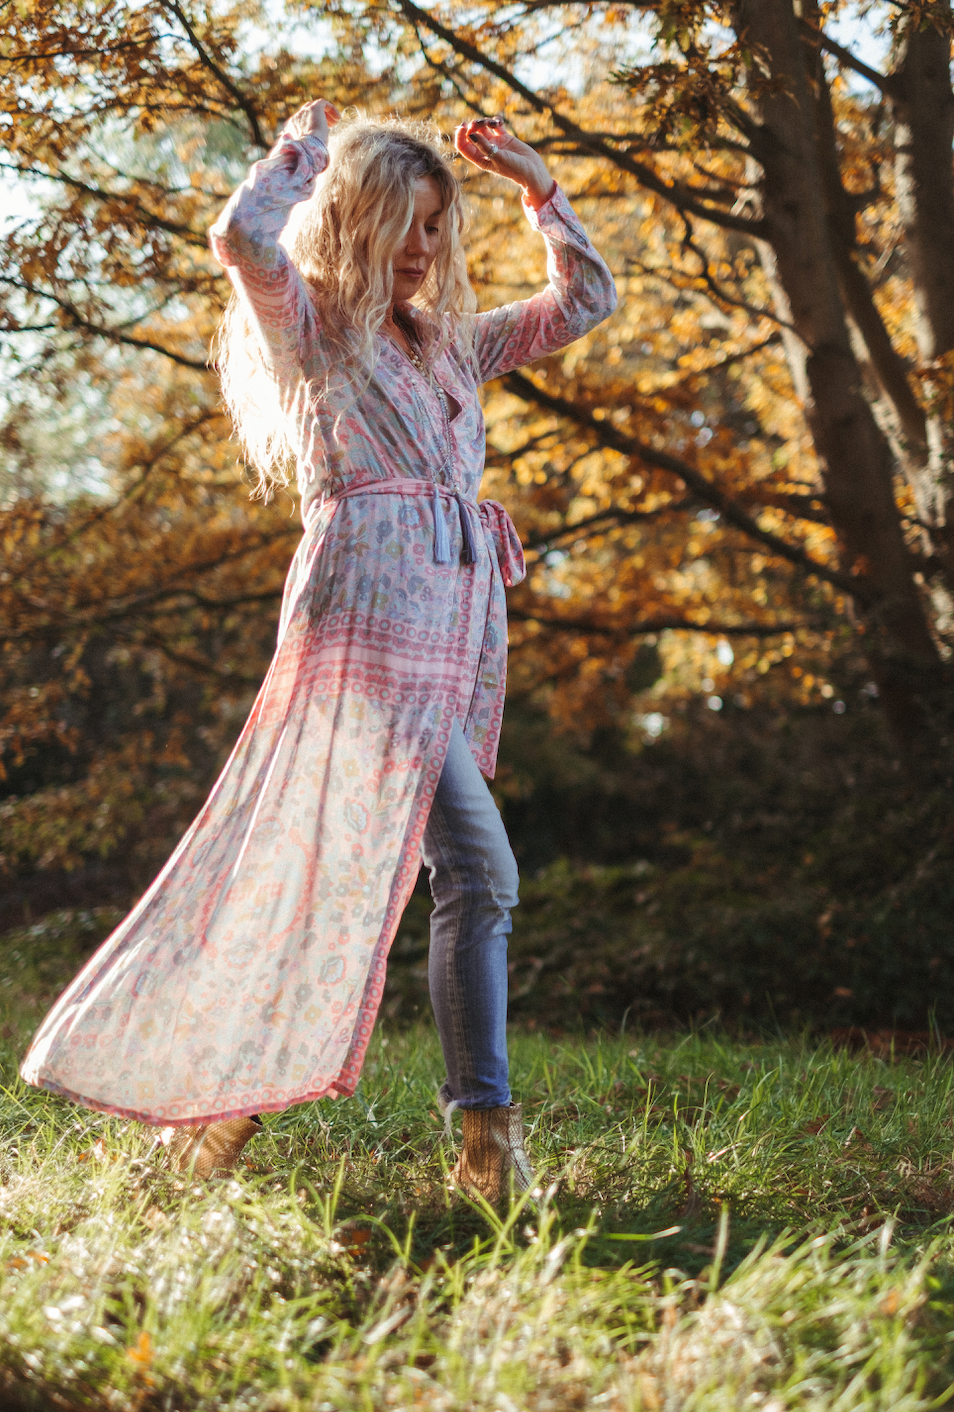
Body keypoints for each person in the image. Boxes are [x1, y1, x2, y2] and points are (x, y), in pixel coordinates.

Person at [20, 102, 617, 1200]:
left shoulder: (450, 342)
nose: (424, 248)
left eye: (438, 225)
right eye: (403, 222)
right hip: (358, 626)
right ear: (352, 221)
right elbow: (243, 241)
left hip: (445, 628)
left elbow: (585, 300)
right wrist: (297, 162)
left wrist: (541, 189)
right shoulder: (308, 326)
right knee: (470, 870)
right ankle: (484, 1133)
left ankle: (227, 1115)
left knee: (342, 874)